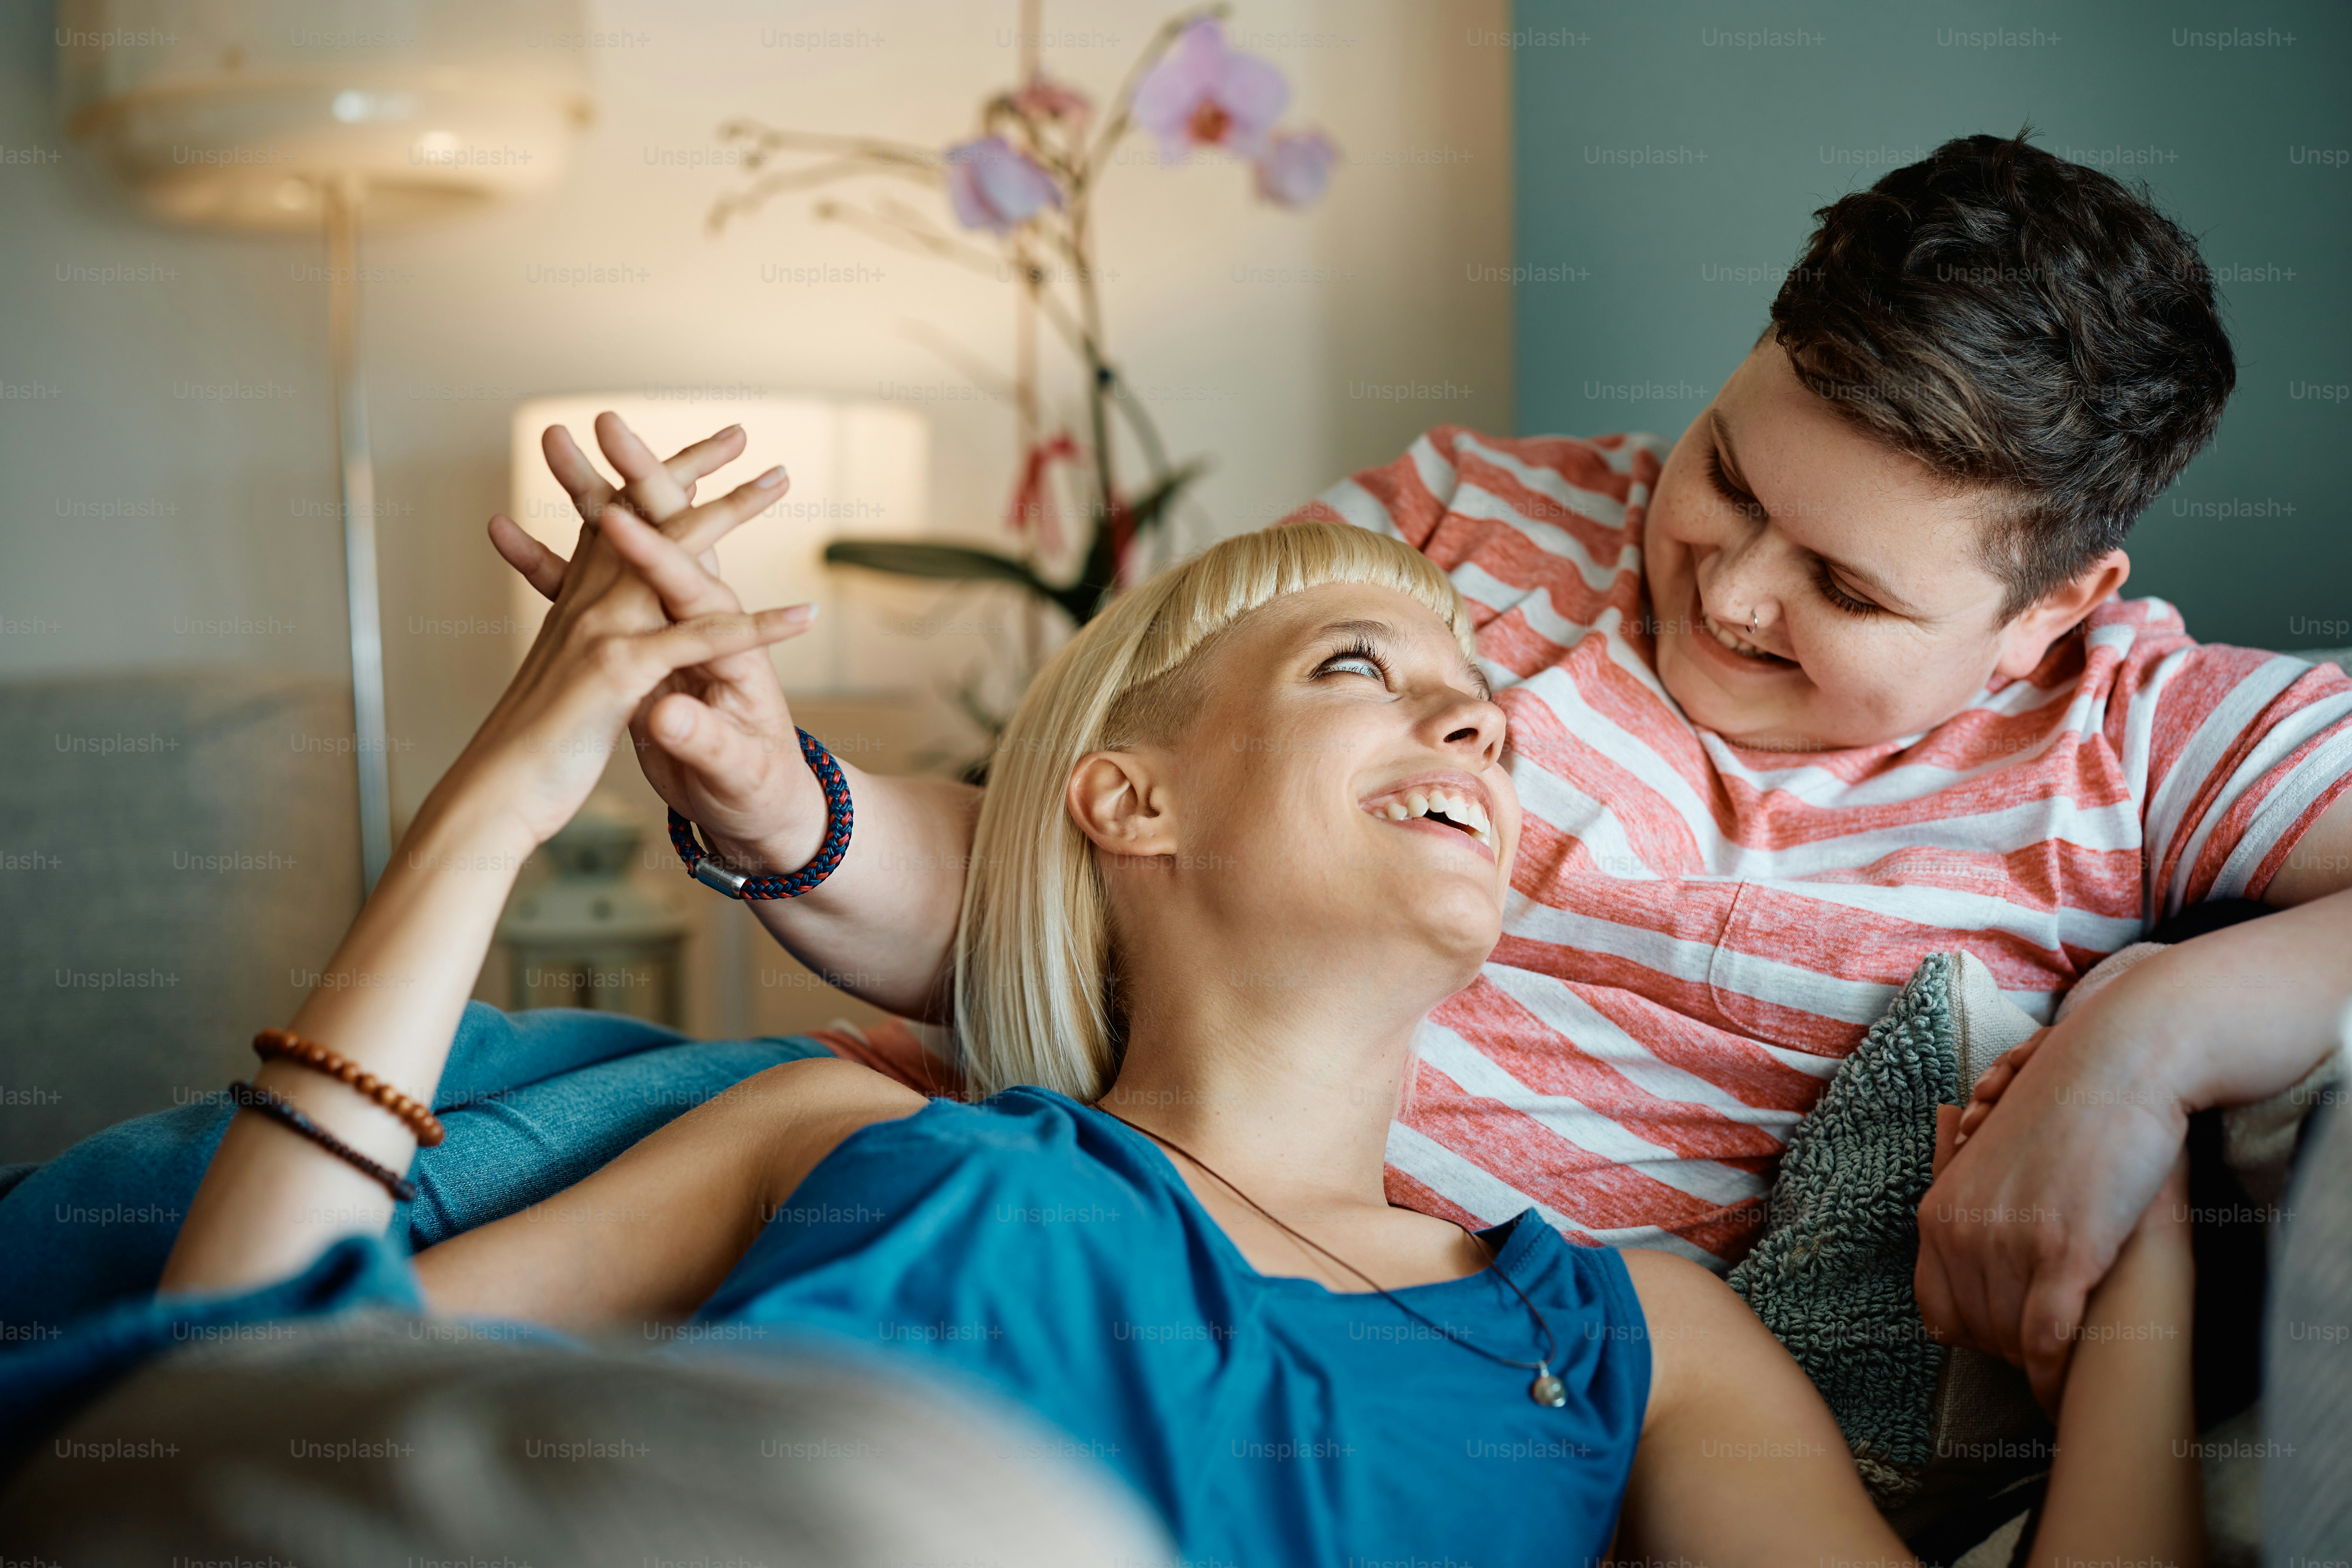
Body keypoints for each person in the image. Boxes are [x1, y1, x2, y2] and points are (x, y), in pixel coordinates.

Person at [497, 130, 2352, 1409]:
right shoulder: (1471, 519)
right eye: (1725, 470)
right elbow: (1079, 847)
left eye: (1848, 588)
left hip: (1351, 1356)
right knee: (293, 1244)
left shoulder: (2132, 739)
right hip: (952, 1159)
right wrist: (772, 792)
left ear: (2055, 608)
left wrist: (2148, 1035)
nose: (1727, 580)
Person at [129, 515, 2198, 1566]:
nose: (1474, 718)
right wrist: (518, 774)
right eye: (1362, 668)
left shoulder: (1635, 1334)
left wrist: (2140, 1224)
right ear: (1135, 804)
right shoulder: (860, 1149)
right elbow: (219, 1408)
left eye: (1481, 696)